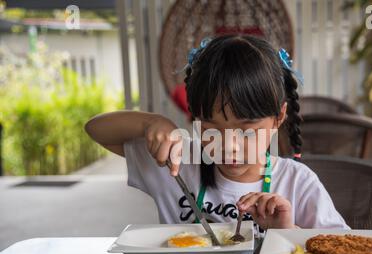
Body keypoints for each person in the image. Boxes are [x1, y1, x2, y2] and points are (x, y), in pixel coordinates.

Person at [85, 35, 349, 233]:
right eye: (211, 127)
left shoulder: (297, 183)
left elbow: (344, 253)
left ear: (278, 117)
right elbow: (96, 129)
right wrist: (151, 123)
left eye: (246, 130)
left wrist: (287, 232)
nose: (228, 146)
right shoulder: (178, 161)